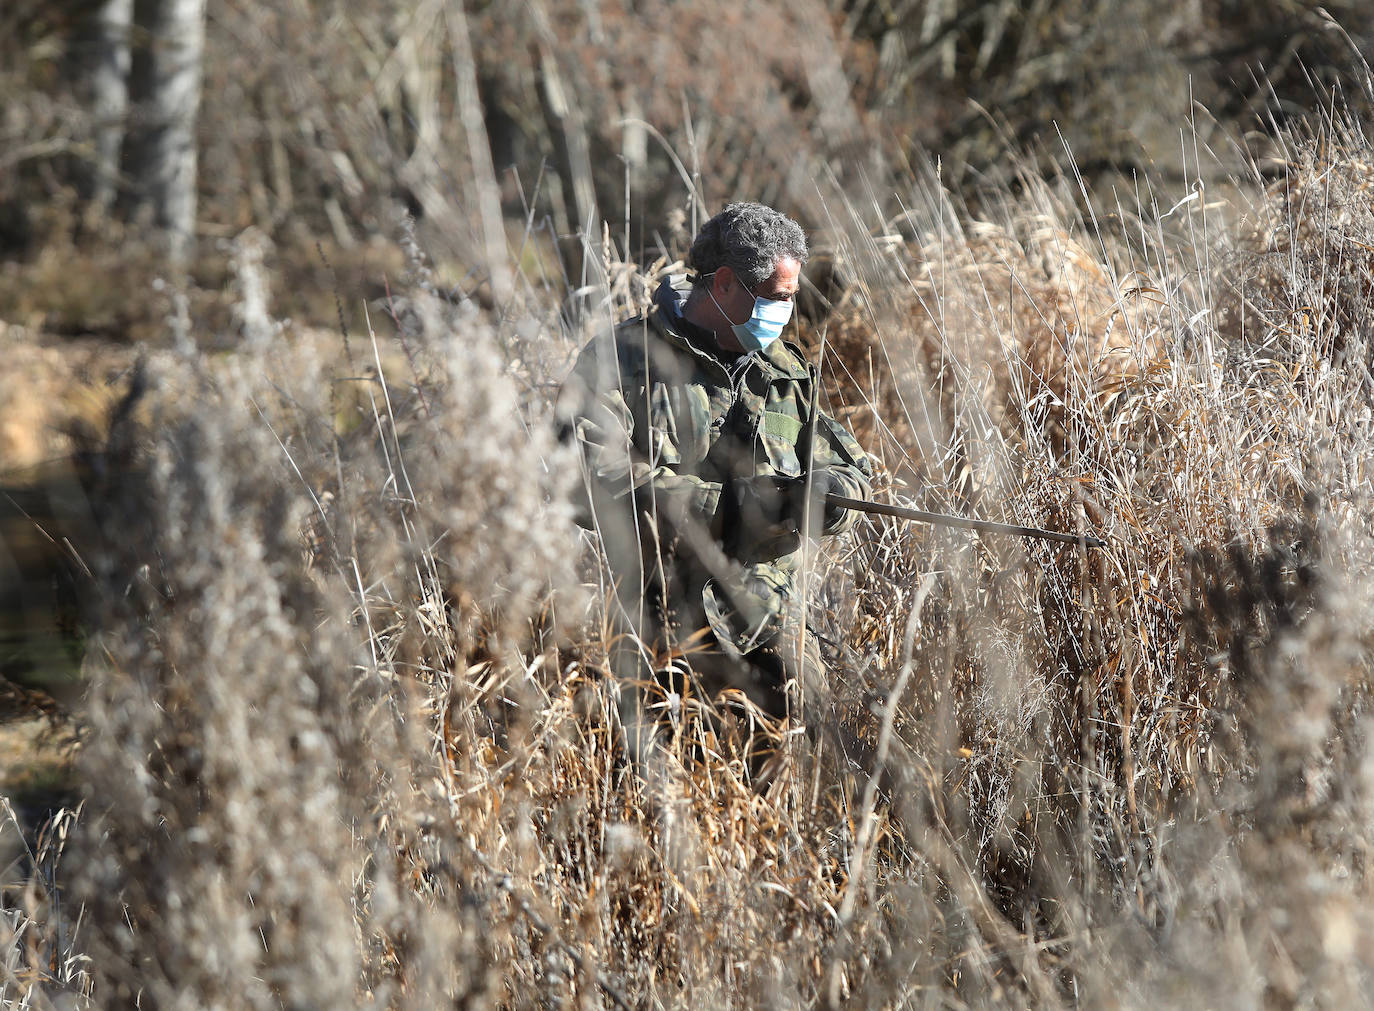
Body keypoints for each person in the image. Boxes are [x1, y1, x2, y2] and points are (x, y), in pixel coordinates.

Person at [560, 202, 872, 759]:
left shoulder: (785, 370)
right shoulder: (621, 358)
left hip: (774, 637)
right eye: (778, 297)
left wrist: (832, 497)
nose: (788, 309)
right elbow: (586, 478)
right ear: (725, 284)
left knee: (805, 803)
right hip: (661, 643)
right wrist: (733, 508)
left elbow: (850, 469)